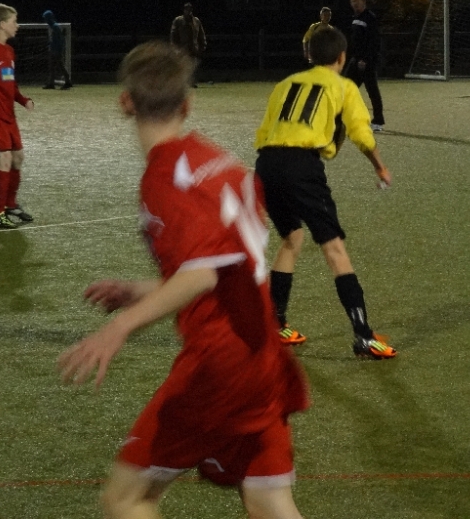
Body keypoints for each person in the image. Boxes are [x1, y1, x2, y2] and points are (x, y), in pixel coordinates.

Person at [57, 41, 309, 519]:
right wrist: (139, 290)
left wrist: (120, 326)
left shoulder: (166, 176)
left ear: (125, 102)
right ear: (187, 104)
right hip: (262, 355)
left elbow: (203, 274)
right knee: (268, 501)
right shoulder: (218, 161)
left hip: (219, 365)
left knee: (126, 498)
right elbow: (226, 267)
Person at [255, 24, 396, 358]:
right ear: (342, 57)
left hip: (266, 164)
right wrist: (379, 166)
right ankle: (364, 336)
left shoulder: (285, 84)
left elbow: (268, 129)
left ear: (309, 55)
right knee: (334, 248)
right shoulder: (344, 86)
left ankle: (274, 324)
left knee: (292, 238)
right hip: (301, 166)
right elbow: (361, 133)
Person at [0, 3, 35, 229]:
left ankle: (10, 205)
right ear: (2, 24)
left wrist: (23, 100)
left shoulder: (8, 51)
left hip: (9, 116)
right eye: (13, 21)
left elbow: (10, 83)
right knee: (5, 159)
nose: (17, 25)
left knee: (18, 158)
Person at [345, 0, 384, 132]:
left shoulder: (370, 18)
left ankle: (378, 121)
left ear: (363, 1)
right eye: (352, 1)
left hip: (367, 61)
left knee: (372, 91)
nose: (354, 3)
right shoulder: (355, 17)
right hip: (355, 60)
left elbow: (374, 42)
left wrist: (365, 59)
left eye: (357, 1)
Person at [169, 3, 206, 86]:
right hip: (182, 47)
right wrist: (175, 47)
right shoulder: (178, 20)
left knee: (193, 65)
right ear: (184, 10)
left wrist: (203, 44)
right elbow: (173, 34)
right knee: (182, 65)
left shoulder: (196, 21)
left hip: (193, 47)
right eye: (187, 9)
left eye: (190, 9)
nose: (188, 11)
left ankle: (192, 82)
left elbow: (201, 34)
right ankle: (181, 83)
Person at [41, 10, 73, 89]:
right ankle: (51, 83)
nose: (45, 20)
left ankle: (68, 81)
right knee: (52, 67)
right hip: (53, 49)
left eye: (46, 18)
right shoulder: (53, 26)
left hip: (56, 50)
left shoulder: (55, 26)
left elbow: (60, 39)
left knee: (60, 65)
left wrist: (58, 50)